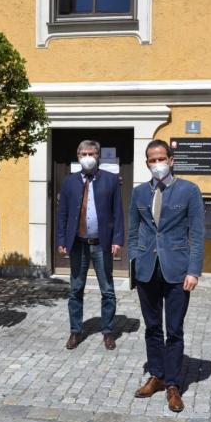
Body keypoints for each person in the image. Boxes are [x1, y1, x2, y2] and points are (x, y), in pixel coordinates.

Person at [128, 139, 205, 413]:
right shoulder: (138, 193)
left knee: (174, 330)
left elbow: (196, 234)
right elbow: (133, 232)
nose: (157, 164)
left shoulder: (189, 191)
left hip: (177, 270)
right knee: (151, 328)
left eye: (161, 158)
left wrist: (194, 270)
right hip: (147, 270)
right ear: (147, 163)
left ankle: (173, 384)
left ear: (171, 160)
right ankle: (157, 376)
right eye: (152, 160)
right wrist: (133, 265)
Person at [56, 140, 124, 350]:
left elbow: (118, 212)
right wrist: (61, 240)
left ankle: (108, 332)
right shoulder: (69, 181)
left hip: (101, 244)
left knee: (108, 291)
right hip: (78, 244)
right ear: (78, 157)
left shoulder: (111, 180)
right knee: (76, 289)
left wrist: (117, 239)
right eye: (83, 153)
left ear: (98, 156)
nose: (87, 157)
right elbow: (63, 214)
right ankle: (76, 331)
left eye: (91, 153)